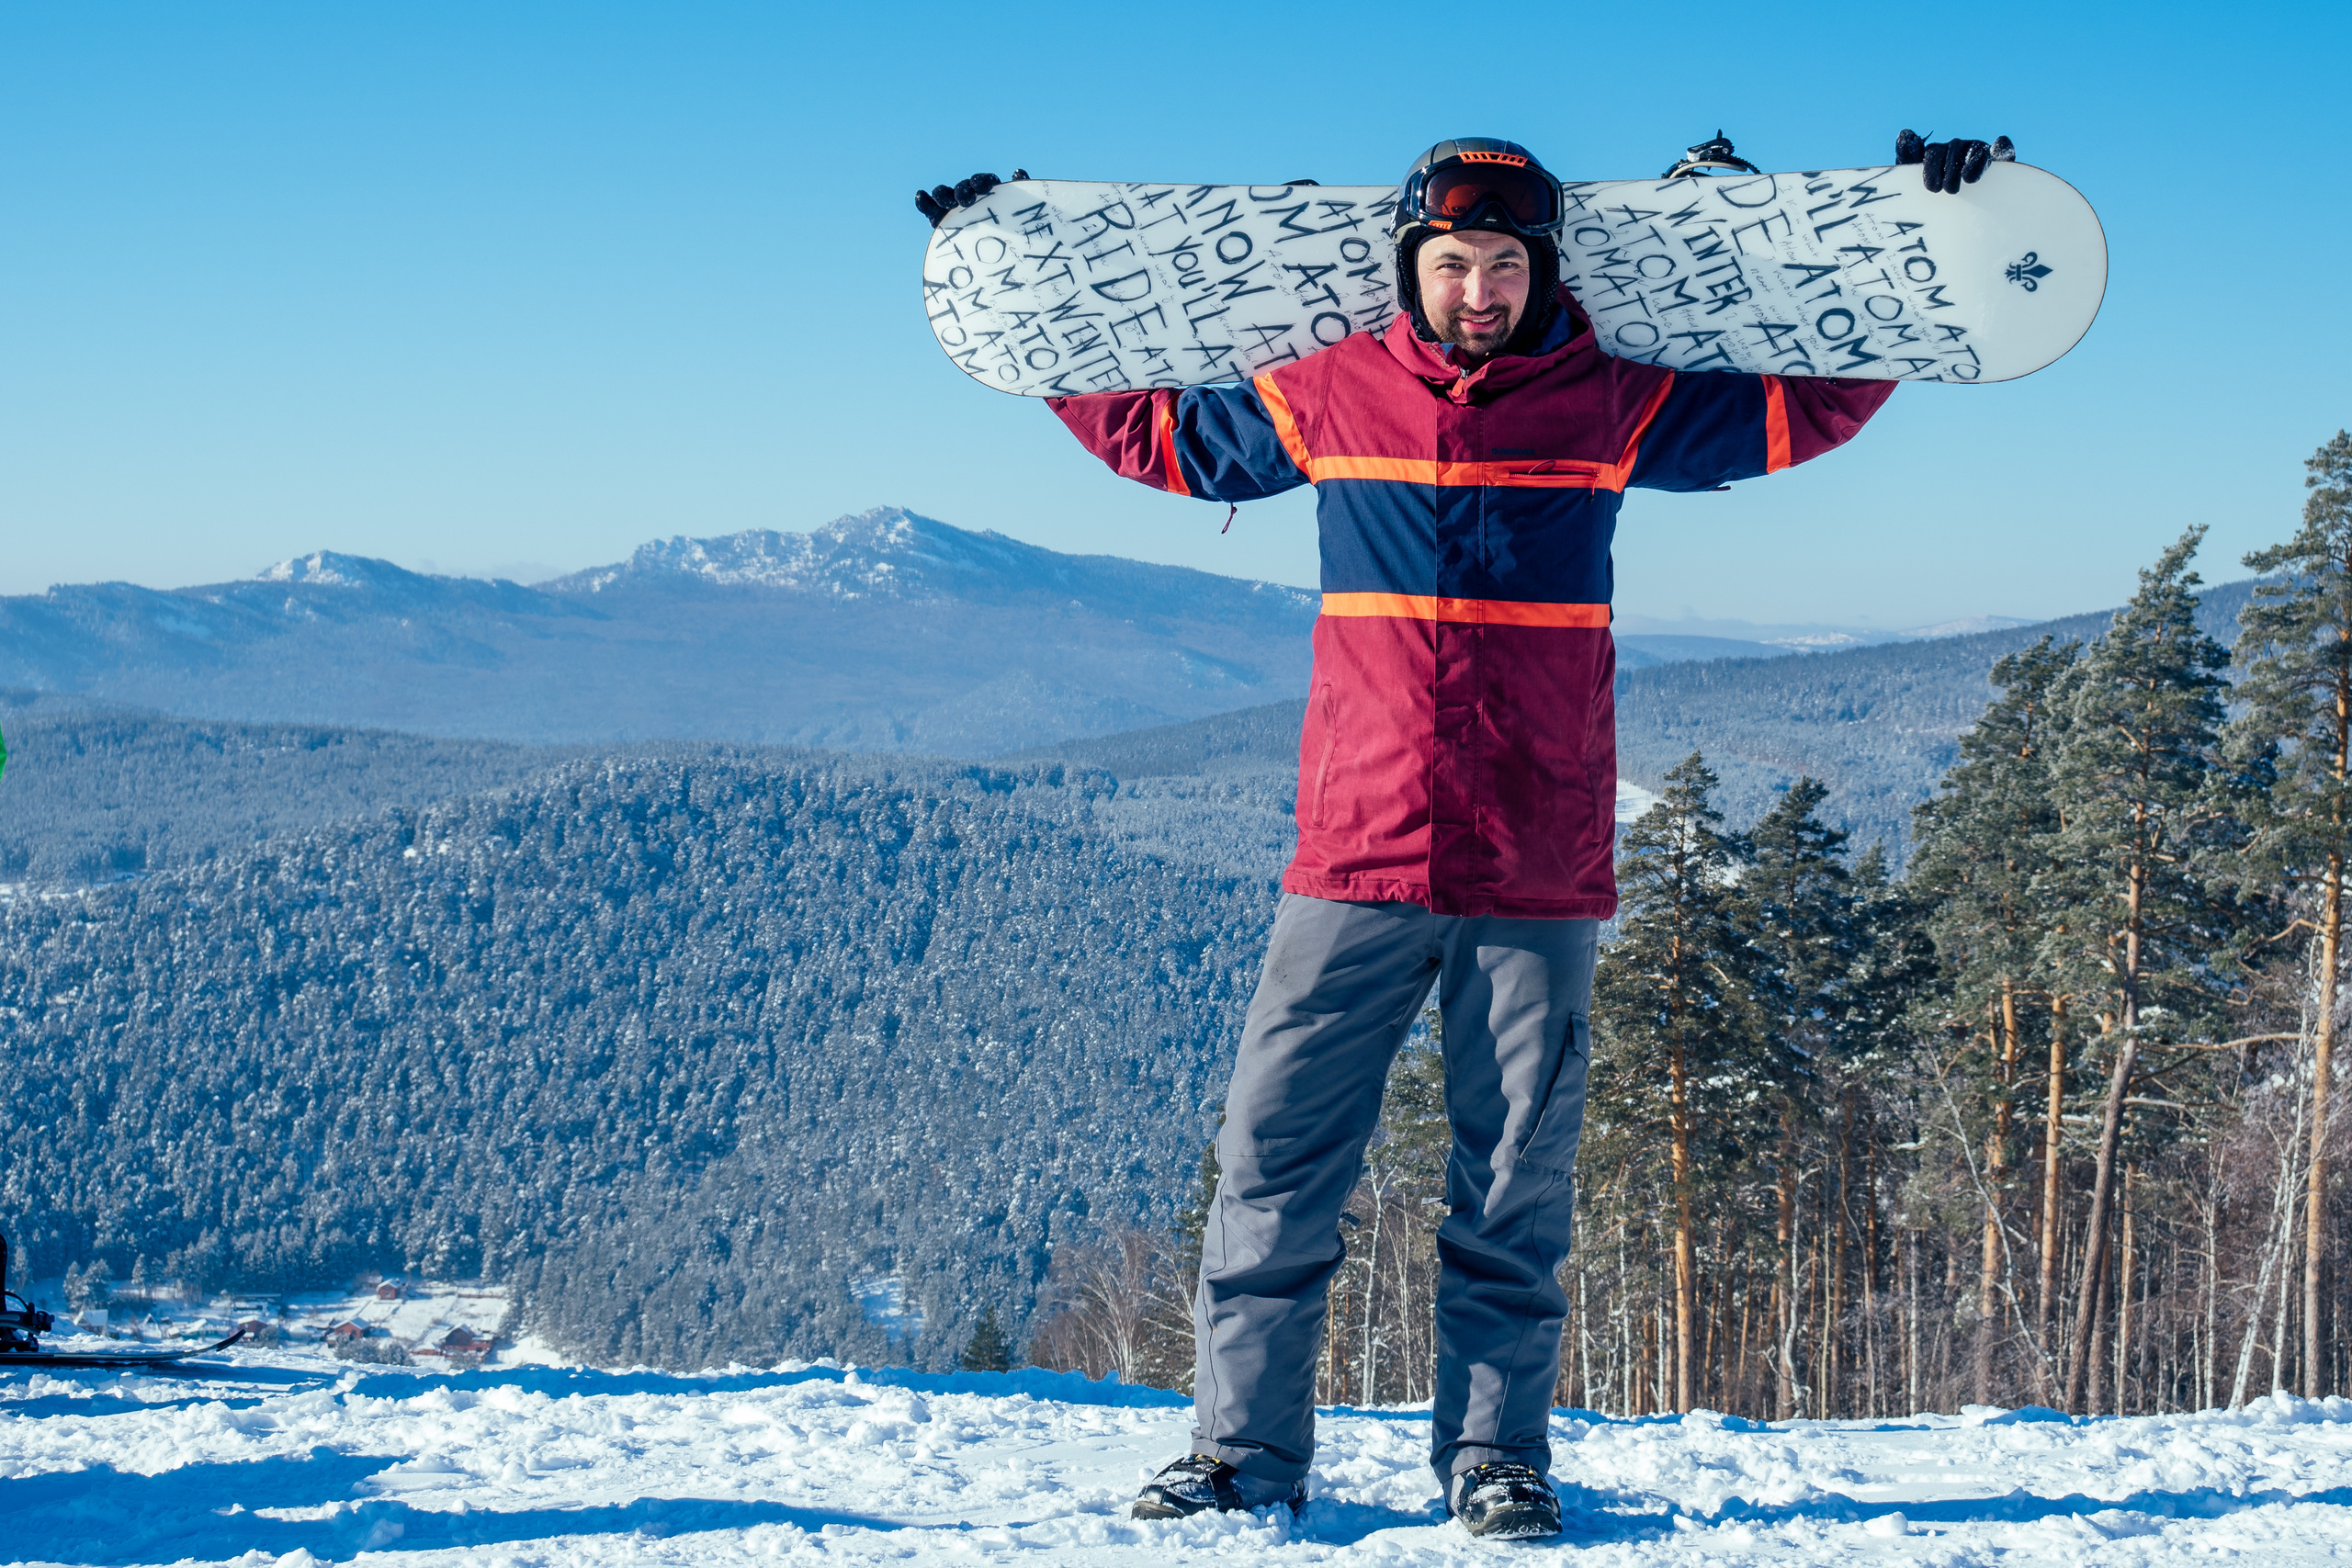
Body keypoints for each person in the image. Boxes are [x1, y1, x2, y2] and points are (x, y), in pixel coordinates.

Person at [917, 130, 2013, 1540]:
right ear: (1412, 269)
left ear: (1541, 269)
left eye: (1505, 263)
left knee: (1512, 1184)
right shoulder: (1334, 391)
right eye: (1455, 264)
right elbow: (1164, 440)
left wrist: (1918, 243)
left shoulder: (1610, 400)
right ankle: (1245, 1458)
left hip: (1534, 866)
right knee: (1275, 1163)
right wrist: (1028, 291)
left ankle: (1496, 1459)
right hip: (1356, 855)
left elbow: (1808, 413)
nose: (1481, 289)